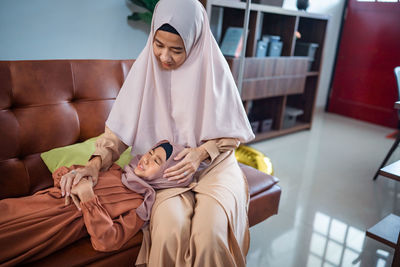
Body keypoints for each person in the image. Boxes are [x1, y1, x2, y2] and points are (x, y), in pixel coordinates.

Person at [61, 0, 255, 266]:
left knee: (210, 235)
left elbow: (232, 133)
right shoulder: (145, 71)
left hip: (213, 168)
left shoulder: (214, 69)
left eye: (177, 49)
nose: (164, 57)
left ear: (195, 43)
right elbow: (118, 132)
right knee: (168, 231)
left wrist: (199, 154)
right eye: (158, 44)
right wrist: (95, 164)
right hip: (164, 174)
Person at [0, 141, 193, 266]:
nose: (146, 159)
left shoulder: (140, 206)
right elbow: (63, 173)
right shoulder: (116, 169)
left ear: (167, 174)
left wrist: (87, 197)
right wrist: (72, 178)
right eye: (150, 152)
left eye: (156, 161)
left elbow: (108, 240)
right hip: (42, 201)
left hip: (56, 226)